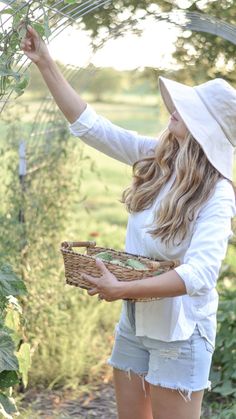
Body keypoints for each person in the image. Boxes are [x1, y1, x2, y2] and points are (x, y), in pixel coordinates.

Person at [21, 25, 236, 419]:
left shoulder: (218, 194)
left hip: (181, 333)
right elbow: (93, 128)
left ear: (207, 132)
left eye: (189, 111)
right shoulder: (157, 159)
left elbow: (201, 274)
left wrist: (119, 289)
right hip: (136, 323)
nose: (174, 108)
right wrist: (46, 63)